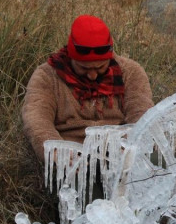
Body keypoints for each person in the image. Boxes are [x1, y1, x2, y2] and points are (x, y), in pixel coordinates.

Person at [22, 14, 154, 161]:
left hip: (119, 154)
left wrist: (129, 146)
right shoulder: (47, 76)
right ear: (71, 58)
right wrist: (56, 153)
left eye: (100, 67)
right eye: (83, 68)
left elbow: (142, 116)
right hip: (70, 156)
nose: (92, 76)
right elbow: (36, 119)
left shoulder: (131, 72)